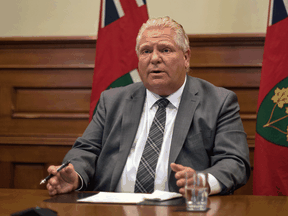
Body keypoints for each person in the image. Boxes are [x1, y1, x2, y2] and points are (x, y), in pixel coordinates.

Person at [46, 16, 250, 196]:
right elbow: (86, 150)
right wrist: (76, 175)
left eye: (165, 50)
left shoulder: (218, 101)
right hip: (111, 208)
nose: (154, 59)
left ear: (186, 57)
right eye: (145, 51)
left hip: (182, 210)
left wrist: (203, 182)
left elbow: (235, 162)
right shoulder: (112, 100)